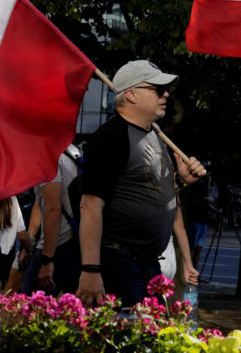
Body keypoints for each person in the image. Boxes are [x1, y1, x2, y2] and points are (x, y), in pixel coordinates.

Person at [76, 60, 205, 309]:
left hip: (147, 264)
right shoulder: (111, 137)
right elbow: (90, 206)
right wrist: (90, 269)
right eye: (157, 89)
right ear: (131, 94)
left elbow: (146, 192)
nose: (166, 94)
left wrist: (180, 181)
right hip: (119, 261)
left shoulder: (154, 135)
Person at [22, 146, 81, 295]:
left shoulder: (47, 156)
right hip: (77, 241)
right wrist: (30, 239)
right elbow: (41, 201)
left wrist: (47, 259)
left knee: (30, 305)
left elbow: (53, 208)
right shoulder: (72, 151)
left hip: (57, 245)